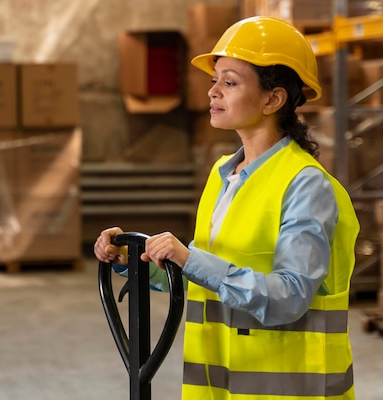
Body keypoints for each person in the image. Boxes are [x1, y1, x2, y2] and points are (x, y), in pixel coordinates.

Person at [94, 16, 360, 400]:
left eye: (230, 82)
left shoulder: (305, 184)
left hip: (285, 388)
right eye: (214, 80)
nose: (213, 92)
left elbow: (289, 298)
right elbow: (210, 272)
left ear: (273, 99)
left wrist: (189, 258)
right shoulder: (224, 173)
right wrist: (134, 260)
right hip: (218, 384)